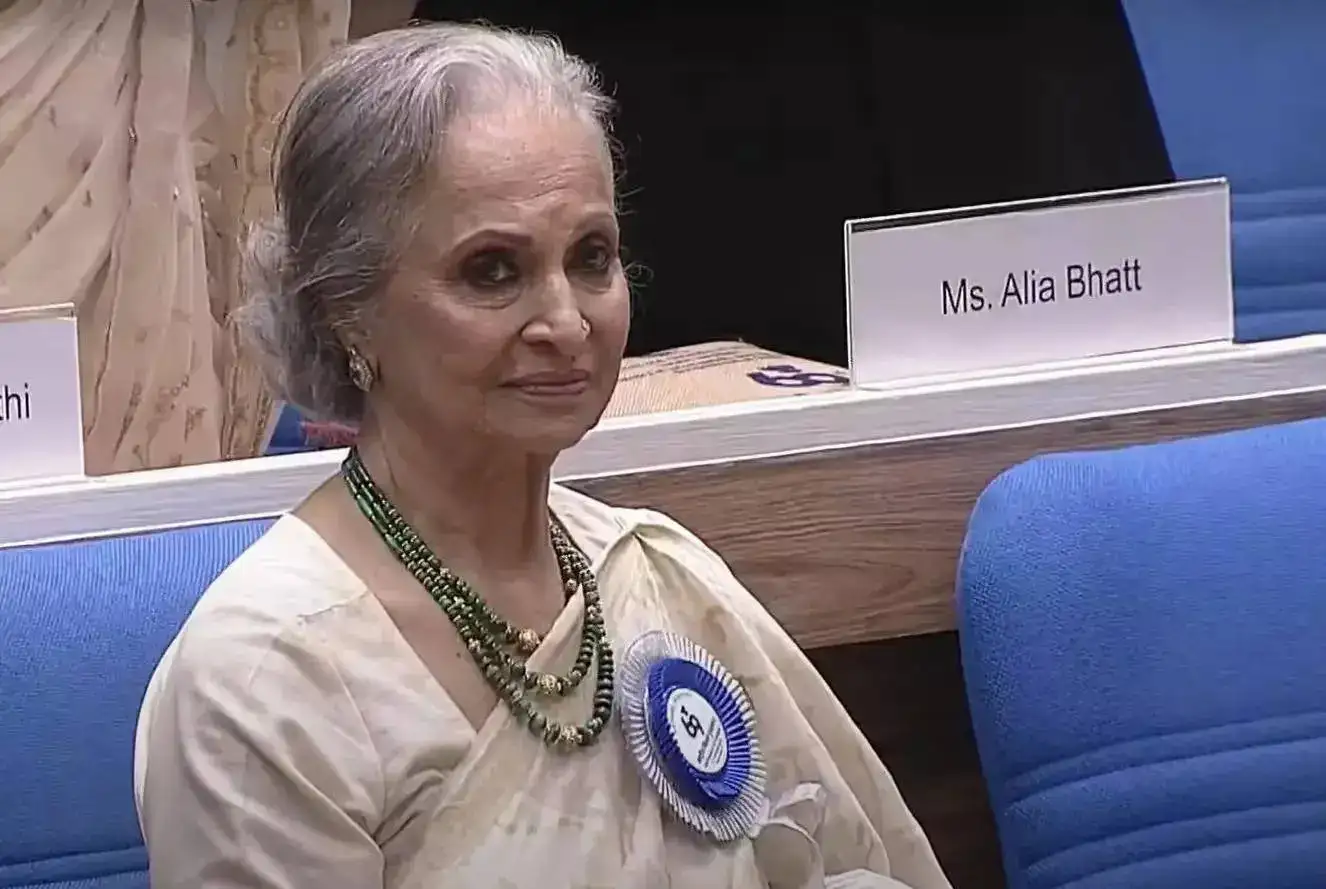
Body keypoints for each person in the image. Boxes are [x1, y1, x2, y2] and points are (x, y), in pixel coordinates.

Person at [133, 22, 953, 889]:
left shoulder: (653, 571)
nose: (567, 322)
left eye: (592, 258)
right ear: (346, 311)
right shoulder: (260, 683)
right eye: (493, 270)